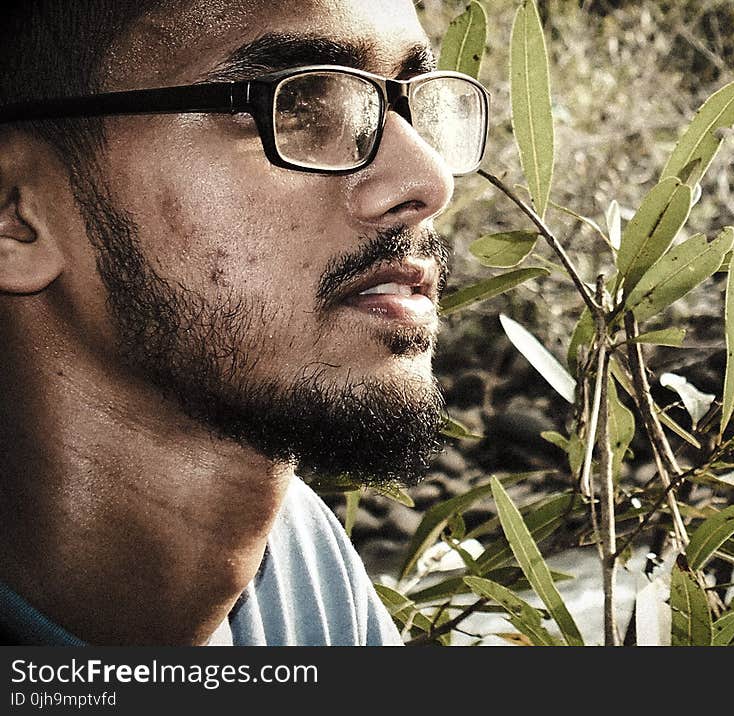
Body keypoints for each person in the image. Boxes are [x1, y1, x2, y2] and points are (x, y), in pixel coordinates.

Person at [0, 0, 489, 646]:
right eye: (296, 106)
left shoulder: (305, 574)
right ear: (16, 215)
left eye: (411, 107)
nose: (428, 180)